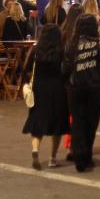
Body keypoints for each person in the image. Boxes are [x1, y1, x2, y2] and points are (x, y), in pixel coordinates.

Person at [65, 13, 100, 172]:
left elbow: (65, 66)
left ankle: (79, 155)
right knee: (91, 123)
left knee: (77, 122)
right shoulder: (99, 43)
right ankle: (87, 155)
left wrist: (66, 82)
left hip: (75, 88)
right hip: (94, 88)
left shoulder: (72, 44)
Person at [22, 23, 70, 169]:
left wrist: (26, 83)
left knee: (37, 123)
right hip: (57, 90)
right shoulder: (62, 51)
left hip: (39, 90)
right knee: (57, 126)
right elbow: (66, 71)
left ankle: (35, 150)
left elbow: (26, 69)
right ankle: (52, 158)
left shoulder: (36, 50)